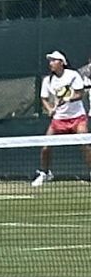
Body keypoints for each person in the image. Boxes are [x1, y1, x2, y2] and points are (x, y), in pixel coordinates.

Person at [33, 50, 91, 187]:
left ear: (62, 63)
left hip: (77, 117)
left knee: (85, 145)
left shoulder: (73, 75)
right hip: (58, 119)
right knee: (46, 147)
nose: (51, 63)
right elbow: (44, 98)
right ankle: (45, 173)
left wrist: (68, 99)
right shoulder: (48, 80)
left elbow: (80, 94)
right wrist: (49, 109)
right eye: (50, 61)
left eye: (54, 60)